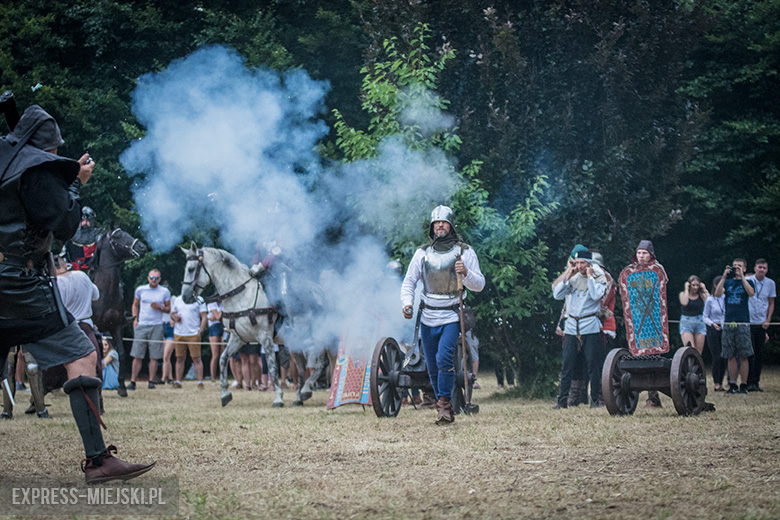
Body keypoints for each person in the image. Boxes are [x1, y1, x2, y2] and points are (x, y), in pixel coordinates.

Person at [0, 104, 154, 481]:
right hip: (20, 285)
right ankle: (99, 461)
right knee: (84, 353)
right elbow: (67, 223)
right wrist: (75, 181)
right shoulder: (35, 174)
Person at [401, 205, 485, 425]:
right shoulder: (422, 253)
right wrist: (407, 303)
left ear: (451, 225)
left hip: (451, 315)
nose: (440, 225)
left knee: (443, 357)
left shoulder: (464, 251)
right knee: (431, 364)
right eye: (436, 222)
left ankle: (445, 405)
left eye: (444, 222)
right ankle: (442, 403)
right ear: (432, 226)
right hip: (428, 315)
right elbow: (410, 281)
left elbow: (479, 285)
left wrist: (465, 273)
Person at [552, 250, 607, 409]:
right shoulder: (573, 277)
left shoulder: (598, 276)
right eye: (577, 263)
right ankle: (562, 400)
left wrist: (589, 276)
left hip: (590, 325)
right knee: (567, 365)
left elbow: (597, 295)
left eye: (583, 263)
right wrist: (568, 273)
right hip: (572, 326)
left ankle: (595, 400)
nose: (580, 266)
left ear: (589, 263)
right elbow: (557, 295)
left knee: (592, 365)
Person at [713, 258, 755, 394]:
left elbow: (751, 293)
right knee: (730, 355)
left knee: (744, 355)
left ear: (744, 269)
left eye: (739, 266)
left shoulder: (748, 282)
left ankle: (744, 384)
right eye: (735, 266)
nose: (736, 268)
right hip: (728, 321)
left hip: (742, 321)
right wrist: (724, 276)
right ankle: (732, 384)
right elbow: (717, 294)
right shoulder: (728, 282)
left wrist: (742, 277)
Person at [129, 269, 171, 389]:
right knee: (137, 354)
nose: (154, 280)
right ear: (148, 278)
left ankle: (151, 381)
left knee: (154, 355)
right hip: (142, 325)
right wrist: (135, 319)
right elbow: (135, 304)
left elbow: (168, 309)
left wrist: (160, 307)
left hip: (157, 325)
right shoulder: (141, 289)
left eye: (156, 278)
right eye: (152, 277)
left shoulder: (164, 292)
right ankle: (133, 381)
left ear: (160, 279)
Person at [746, 259, 775, 392]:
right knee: (749, 353)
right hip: (748, 321)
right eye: (760, 267)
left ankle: (755, 382)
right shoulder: (748, 280)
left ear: (767, 270)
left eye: (764, 268)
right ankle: (746, 381)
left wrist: (768, 320)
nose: (762, 270)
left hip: (761, 323)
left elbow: (771, 303)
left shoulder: (770, 283)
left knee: (759, 354)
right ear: (755, 268)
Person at [170, 293, 207, 389]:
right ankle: (178, 381)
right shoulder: (178, 299)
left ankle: (200, 382)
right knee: (179, 358)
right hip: (179, 333)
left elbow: (204, 316)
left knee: (196, 358)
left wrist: (201, 330)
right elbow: (172, 314)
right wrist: (174, 318)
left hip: (193, 334)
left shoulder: (199, 299)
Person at [703, 276, 726, 391]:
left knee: (724, 357)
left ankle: (722, 382)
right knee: (716, 357)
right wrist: (712, 324)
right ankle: (716, 383)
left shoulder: (726, 298)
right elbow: (705, 316)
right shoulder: (710, 300)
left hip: (724, 329)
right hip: (713, 329)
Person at [61, 206, 100, 272]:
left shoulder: (98, 236)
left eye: (87, 220)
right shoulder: (72, 236)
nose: (85, 223)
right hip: (74, 271)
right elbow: (63, 255)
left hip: (94, 270)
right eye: (83, 221)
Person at [678, 275, 709, 355]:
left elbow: (709, 302)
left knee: (698, 352)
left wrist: (704, 289)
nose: (695, 287)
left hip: (700, 321)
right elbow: (684, 302)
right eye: (693, 285)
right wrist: (686, 289)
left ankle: (698, 367)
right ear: (689, 285)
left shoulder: (701, 295)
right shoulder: (683, 294)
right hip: (687, 322)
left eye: (697, 285)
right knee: (690, 349)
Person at [207, 301, 225, 382]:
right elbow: (218, 317)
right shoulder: (211, 304)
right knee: (215, 355)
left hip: (223, 326)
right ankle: (213, 377)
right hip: (214, 327)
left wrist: (215, 317)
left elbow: (215, 317)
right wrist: (222, 313)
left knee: (223, 353)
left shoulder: (223, 303)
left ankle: (223, 376)